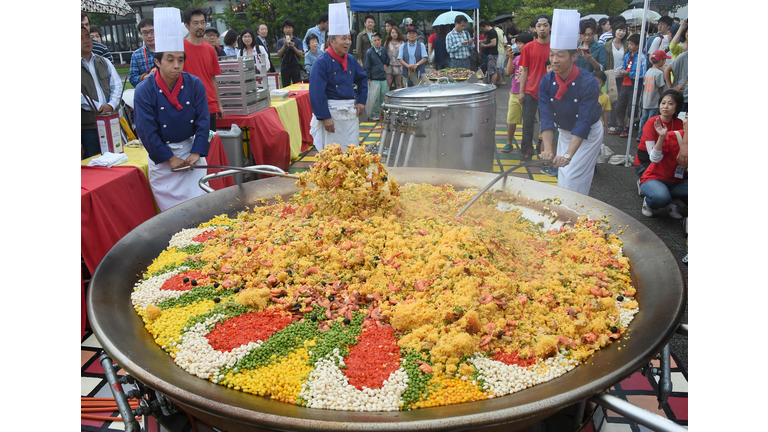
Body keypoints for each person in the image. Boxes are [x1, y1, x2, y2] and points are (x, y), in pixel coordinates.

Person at [134, 7, 211, 213]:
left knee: (202, 208)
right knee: (175, 215)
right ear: (157, 62)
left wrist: (197, 151)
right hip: (163, 161)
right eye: (170, 60)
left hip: (191, 155)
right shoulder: (144, 90)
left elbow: (204, 120)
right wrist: (170, 158)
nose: (177, 65)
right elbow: (146, 131)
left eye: (181, 59)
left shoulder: (194, 84)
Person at [537, 9, 604, 195]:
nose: (554, 60)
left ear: (574, 56)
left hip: (587, 135)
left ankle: (575, 217)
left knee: (574, 178)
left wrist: (567, 154)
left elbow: (583, 122)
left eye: (560, 55)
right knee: (564, 177)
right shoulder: (546, 81)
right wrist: (549, 149)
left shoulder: (588, 82)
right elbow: (546, 117)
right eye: (551, 55)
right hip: (565, 132)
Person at [309, 3, 368, 152]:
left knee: (352, 152)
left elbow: (362, 79)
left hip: (350, 114)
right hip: (331, 115)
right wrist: (325, 117)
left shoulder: (351, 59)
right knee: (333, 157)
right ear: (332, 41)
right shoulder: (321, 63)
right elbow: (316, 93)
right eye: (344, 38)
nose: (348, 42)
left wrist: (361, 101)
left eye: (349, 38)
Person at [81, 25, 122, 159]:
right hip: (88, 125)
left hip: (110, 121)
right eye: (80, 38)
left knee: (116, 157)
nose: (87, 41)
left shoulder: (103, 61)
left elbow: (117, 85)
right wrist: (98, 106)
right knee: (94, 161)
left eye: (87, 37)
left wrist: (111, 105)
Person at [182, 7, 224, 130]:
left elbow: (213, 78)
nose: (200, 26)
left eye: (203, 22)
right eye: (195, 23)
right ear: (187, 26)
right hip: (188, 104)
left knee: (210, 144)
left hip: (209, 104)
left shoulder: (211, 49)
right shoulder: (180, 48)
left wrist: (219, 105)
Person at [517, 13, 551, 161]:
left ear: (550, 27)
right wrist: (521, 91)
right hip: (530, 91)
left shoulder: (555, 47)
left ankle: (543, 148)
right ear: (534, 29)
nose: (542, 28)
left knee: (547, 123)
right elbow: (524, 71)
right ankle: (526, 149)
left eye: (545, 25)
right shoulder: (529, 47)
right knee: (528, 122)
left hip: (550, 92)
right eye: (539, 26)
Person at [639, 113, 687, 218]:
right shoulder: (673, 136)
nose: (687, 122)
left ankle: (673, 199)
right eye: (687, 117)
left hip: (677, 182)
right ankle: (649, 201)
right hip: (655, 178)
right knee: (661, 197)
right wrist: (661, 137)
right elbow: (654, 158)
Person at [634, 89, 684, 179]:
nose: (665, 106)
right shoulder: (651, 122)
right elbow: (652, 155)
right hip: (647, 160)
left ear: (677, 107)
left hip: (668, 161)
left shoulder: (679, 123)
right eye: (663, 103)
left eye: (670, 103)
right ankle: (643, 183)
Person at [609, 33, 646, 138]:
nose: (629, 46)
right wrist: (621, 71)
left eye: (632, 44)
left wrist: (629, 73)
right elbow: (624, 66)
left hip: (635, 85)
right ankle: (620, 126)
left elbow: (642, 73)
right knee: (619, 105)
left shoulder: (641, 57)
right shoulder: (627, 56)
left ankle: (627, 128)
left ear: (638, 45)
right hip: (625, 83)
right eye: (629, 44)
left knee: (631, 106)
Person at [502, 32, 533, 154]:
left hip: (528, 92)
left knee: (527, 121)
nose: (519, 46)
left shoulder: (532, 58)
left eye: (522, 43)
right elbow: (509, 72)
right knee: (511, 119)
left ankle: (527, 145)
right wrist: (510, 58)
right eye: (518, 43)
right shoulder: (516, 58)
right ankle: (509, 143)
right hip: (514, 92)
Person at [638, 50, 669, 143]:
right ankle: (648, 136)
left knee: (643, 119)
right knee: (652, 120)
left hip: (646, 99)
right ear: (661, 61)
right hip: (654, 101)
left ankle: (640, 135)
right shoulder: (659, 73)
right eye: (664, 60)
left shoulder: (649, 71)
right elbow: (661, 87)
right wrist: (662, 98)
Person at [604, 22, 628, 132]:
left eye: (623, 30)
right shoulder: (608, 44)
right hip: (610, 74)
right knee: (611, 98)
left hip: (623, 76)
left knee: (620, 100)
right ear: (614, 31)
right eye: (619, 30)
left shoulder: (627, 45)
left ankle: (618, 123)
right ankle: (610, 122)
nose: (621, 33)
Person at [365, 33, 389, 120]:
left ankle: (382, 112)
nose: (377, 42)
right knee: (375, 97)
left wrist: (386, 64)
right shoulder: (369, 52)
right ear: (372, 41)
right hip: (374, 77)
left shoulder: (383, 50)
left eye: (378, 40)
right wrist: (368, 77)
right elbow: (367, 66)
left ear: (381, 40)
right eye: (374, 40)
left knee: (383, 96)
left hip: (383, 77)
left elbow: (387, 59)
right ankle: (374, 113)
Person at [277, 19, 305, 88]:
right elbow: (279, 55)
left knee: (297, 86)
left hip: (295, 66)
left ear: (292, 29)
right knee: (285, 87)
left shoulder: (298, 41)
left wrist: (293, 46)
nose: (288, 30)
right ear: (283, 30)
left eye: (290, 27)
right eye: (286, 28)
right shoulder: (280, 42)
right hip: (285, 67)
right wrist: (284, 45)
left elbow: (300, 54)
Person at [129, 18, 156, 88]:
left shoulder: (167, 50)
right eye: (145, 33)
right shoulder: (136, 54)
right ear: (141, 34)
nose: (149, 36)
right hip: (148, 92)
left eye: (152, 32)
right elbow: (132, 79)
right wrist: (146, 77)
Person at [478, 21, 499, 85]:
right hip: (489, 53)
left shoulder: (492, 32)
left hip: (492, 53)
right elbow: (489, 40)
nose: (483, 30)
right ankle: (491, 83)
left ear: (486, 26)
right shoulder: (489, 33)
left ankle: (493, 85)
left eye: (483, 28)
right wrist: (484, 41)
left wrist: (485, 45)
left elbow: (493, 43)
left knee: (493, 71)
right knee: (490, 70)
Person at [384, 26, 405, 90]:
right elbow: (384, 54)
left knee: (398, 83)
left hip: (399, 64)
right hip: (389, 65)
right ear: (390, 34)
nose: (394, 34)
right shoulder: (387, 42)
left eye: (396, 32)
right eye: (392, 32)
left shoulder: (402, 43)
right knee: (388, 83)